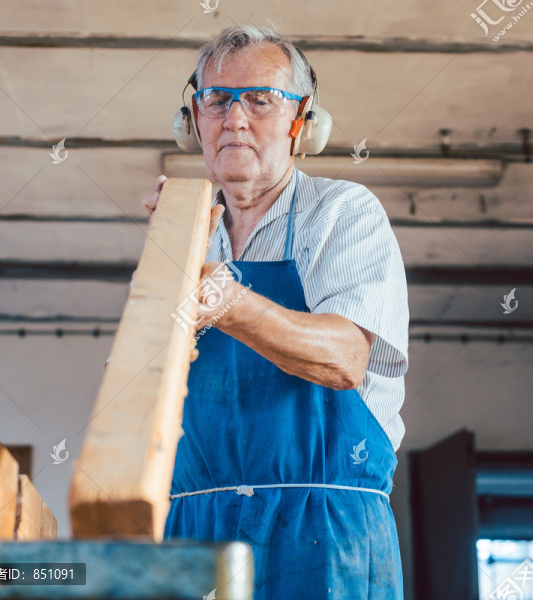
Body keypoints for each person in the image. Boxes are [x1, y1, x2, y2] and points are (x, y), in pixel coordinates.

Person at [140, 24, 409, 600]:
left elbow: (344, 360)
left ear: (301, 120)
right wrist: (171, 262)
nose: (235, 119)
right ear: (193, 121)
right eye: (217, 99)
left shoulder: (341, 213)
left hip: (322, 528)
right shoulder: (185, 234)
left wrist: (222, 299)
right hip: (194, 532)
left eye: (261, 100)